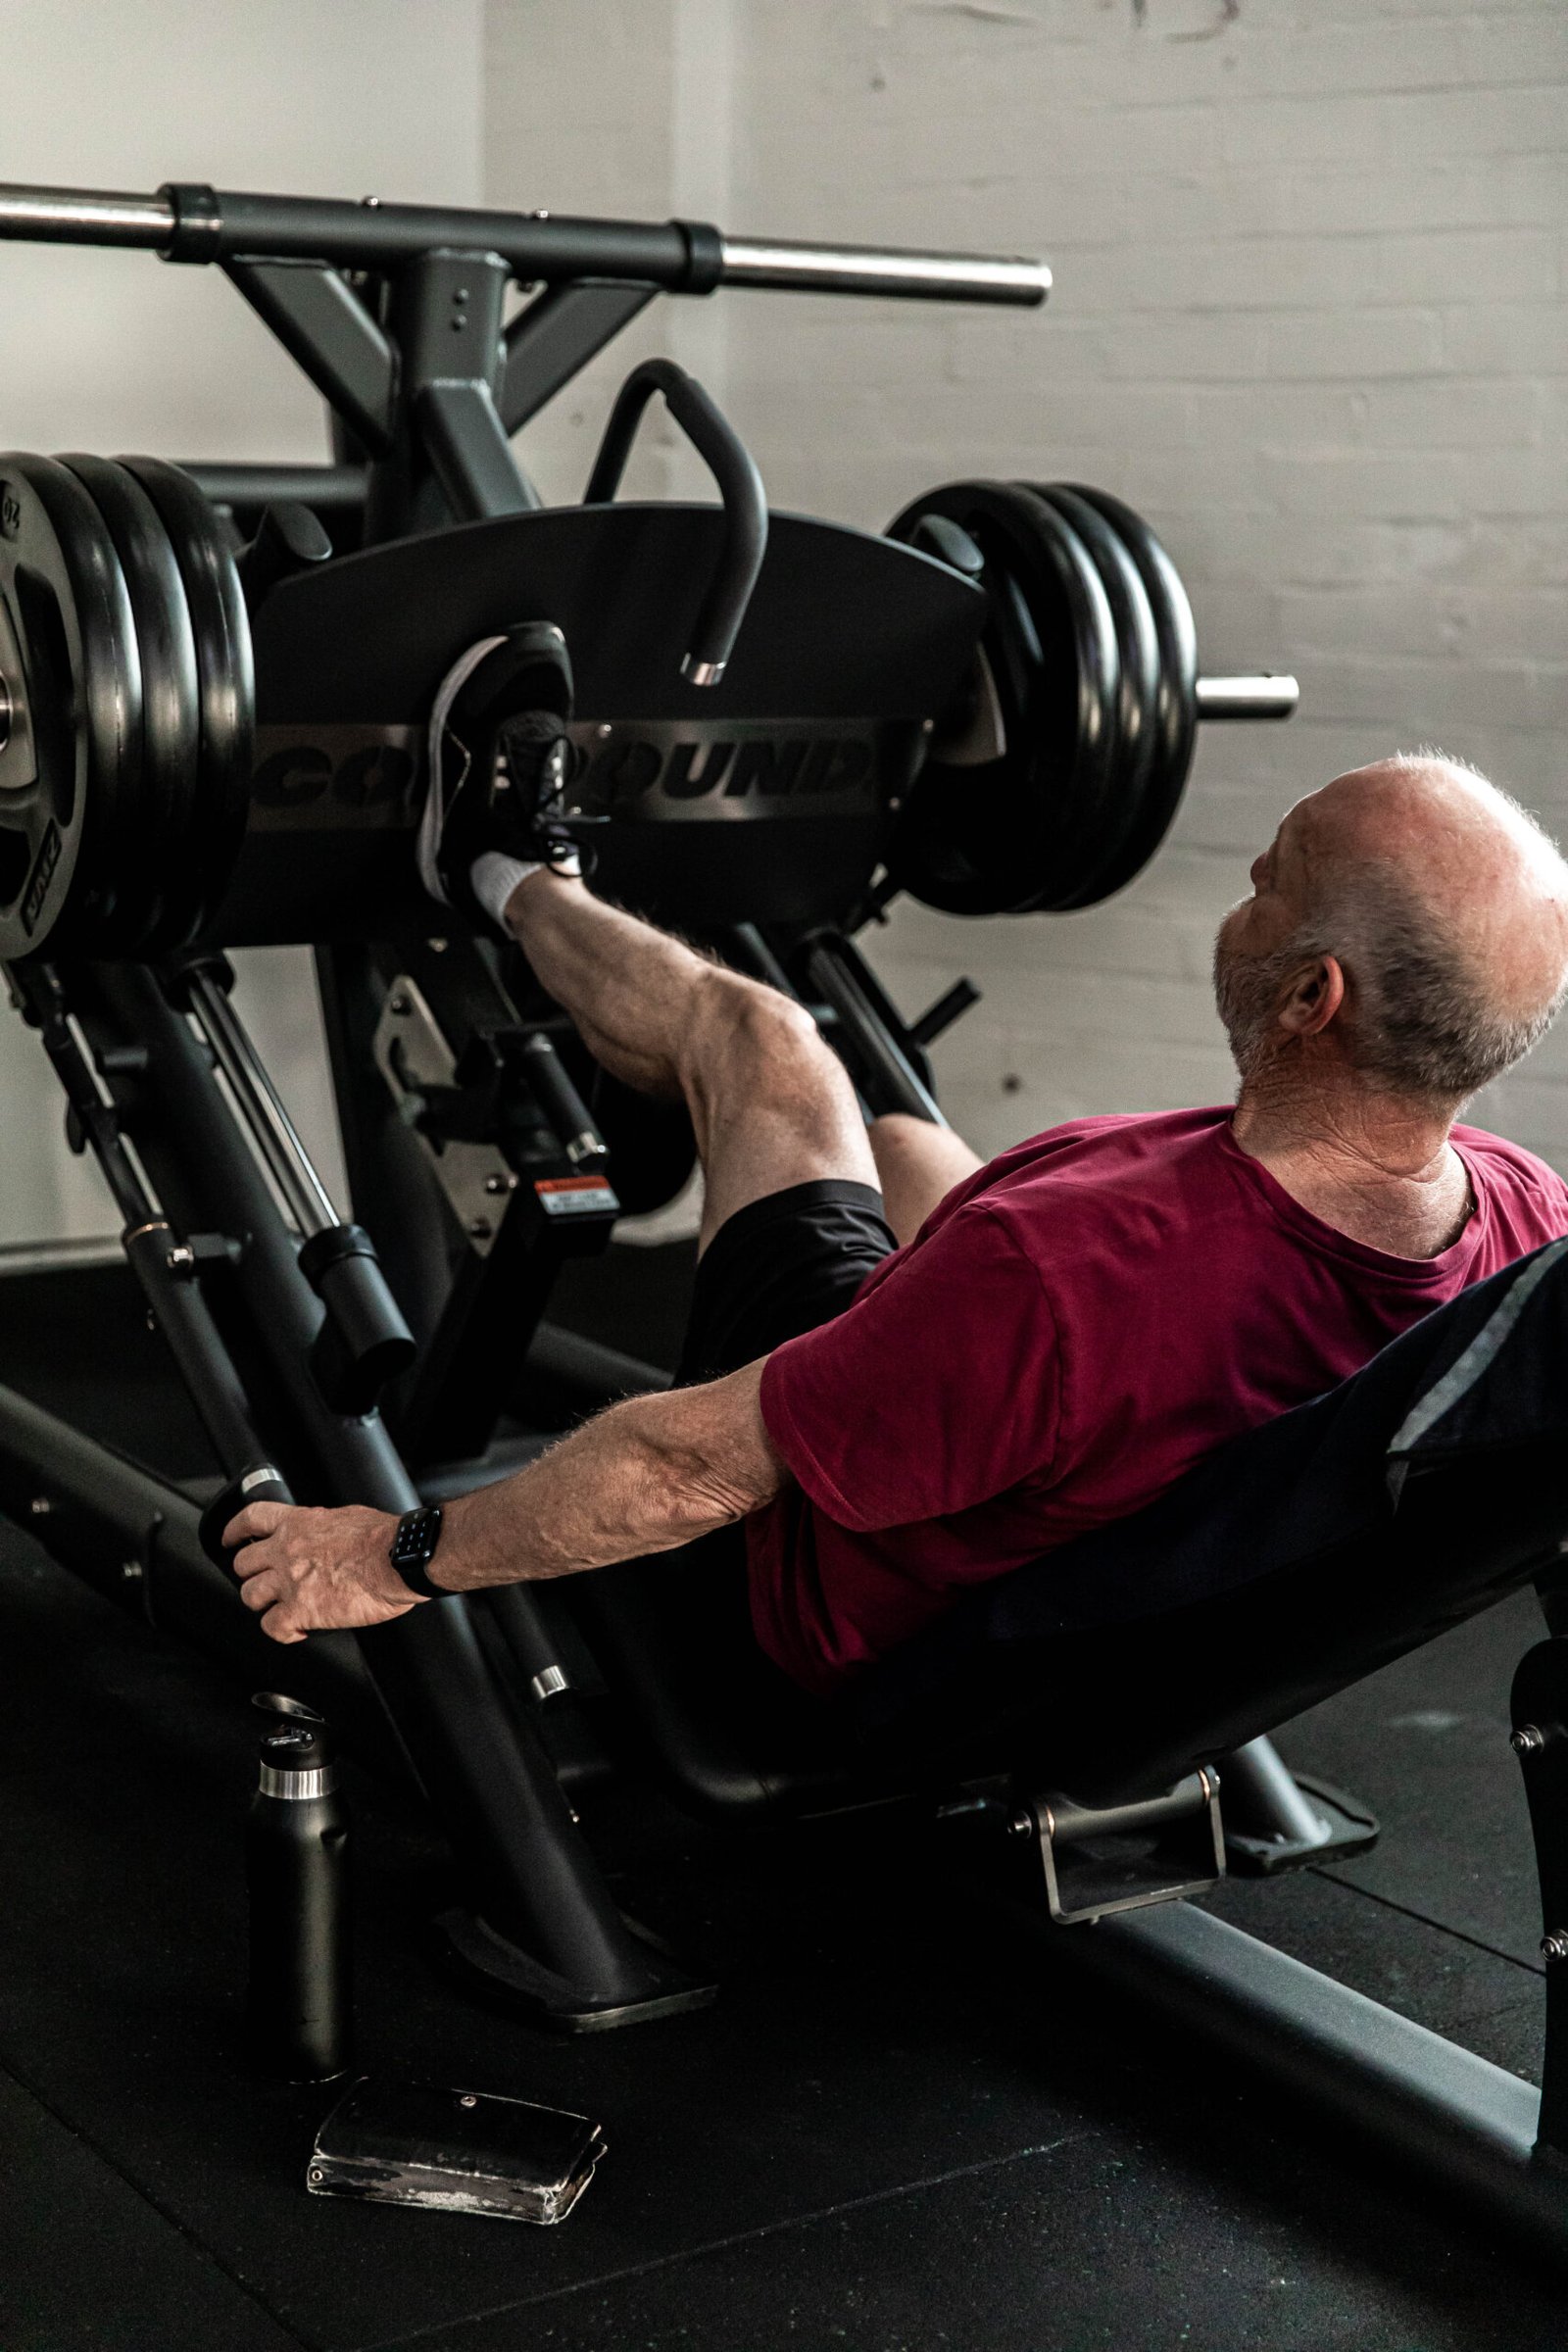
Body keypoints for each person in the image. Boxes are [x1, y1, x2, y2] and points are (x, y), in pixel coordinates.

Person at [227, 631, 1568, 1690]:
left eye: (1266, 880)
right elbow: (1101, 1301)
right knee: (908, 1140)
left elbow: (684, 1473)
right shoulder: (1524, 1227)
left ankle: (498, 865)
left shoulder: (1060, 1274)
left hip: (817, 1602)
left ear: (1308, 1000)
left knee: (760, 1042)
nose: (1247, 892)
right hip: (1071, 1528)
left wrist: (395, 1554)